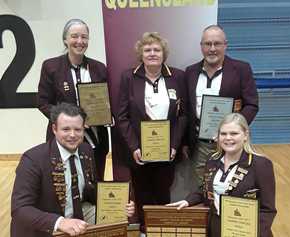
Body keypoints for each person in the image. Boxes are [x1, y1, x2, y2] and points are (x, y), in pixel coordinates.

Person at [11, 103, 134, 237]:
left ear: (83, 129)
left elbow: (91, 190)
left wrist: (118, 204)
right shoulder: (33, 159)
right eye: (66, 129)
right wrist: (60, 222)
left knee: (116, 220)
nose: (72, 135)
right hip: (45, 224)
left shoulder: (86, 150)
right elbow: (20, 209)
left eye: (78, 129)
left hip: (79, 211)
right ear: (54, 129)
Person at [117, 32, 187, 231]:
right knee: (142, 195)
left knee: (163, 193)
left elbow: (183, 116)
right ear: (141, 54)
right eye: (147, 50)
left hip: (167, 151)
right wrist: (134, 147)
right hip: (139, 152)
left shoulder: (177, 76)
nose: (152, 53)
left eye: (157, 49)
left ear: (164, 54)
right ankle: (145, 231)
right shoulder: (128, 77)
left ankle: (161, 231)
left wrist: (174, 145)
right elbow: (122, 116)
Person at [167, 113, 277, 237]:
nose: (228, 138)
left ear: (245, 135)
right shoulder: (212, 160)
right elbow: (205, 188)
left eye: (234, 133)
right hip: (216, 227)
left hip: (247, 230)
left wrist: (254, 233)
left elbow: (268, 209)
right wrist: (188, 201)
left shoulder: (261, 165)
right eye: (223, 134)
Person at [184, 25, 259, 186]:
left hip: (230, 142)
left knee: (231, 185)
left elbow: (252, 104)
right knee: (202, 186)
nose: (212, 49)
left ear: (225, 45)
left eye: (217, 44)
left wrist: (234, 129)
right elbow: (186, 110)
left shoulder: (241, 69)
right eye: (207, 44)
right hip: (200, 144)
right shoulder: (190, 72)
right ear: (201, 46)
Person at [37, 19, 108, 180]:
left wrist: (107, 115)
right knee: (65, 183)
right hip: (64, 137)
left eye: (84, 37)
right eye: (74, 36)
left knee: (95, 181)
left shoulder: (99, 68)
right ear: (65, 39)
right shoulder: (51, 67)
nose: (80, 41)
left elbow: (106, 101)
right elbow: (43, 103)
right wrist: (70, 121)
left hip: (96, 138)